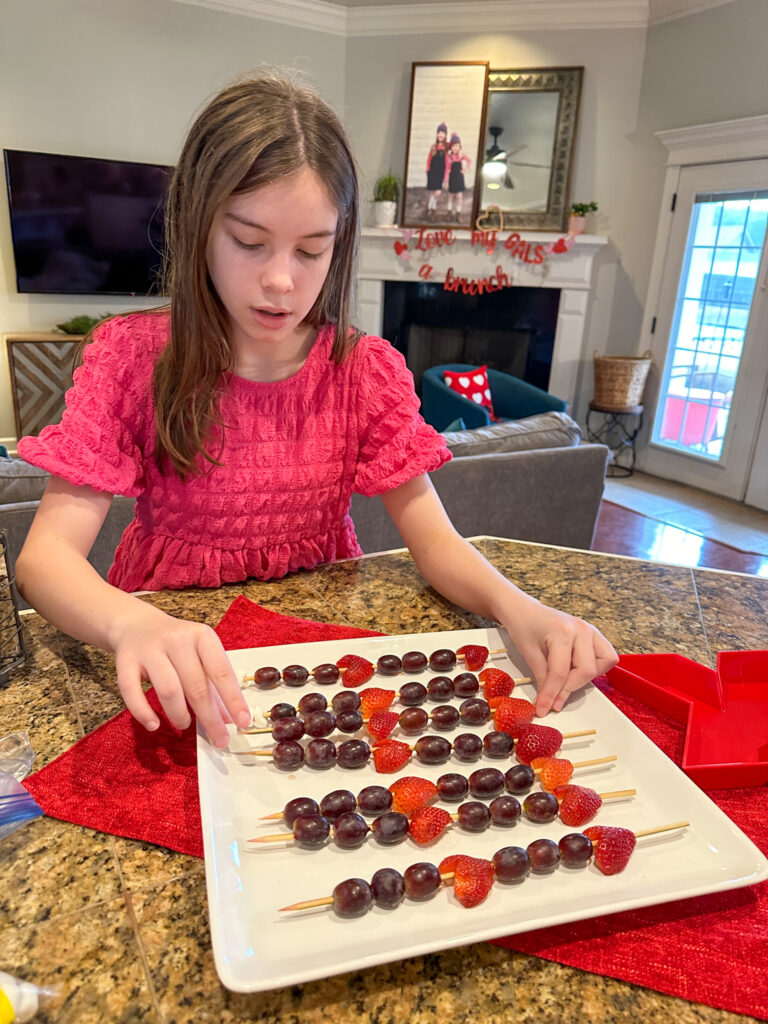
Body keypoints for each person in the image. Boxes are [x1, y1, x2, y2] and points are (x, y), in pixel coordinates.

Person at [15, 71, 617, 752]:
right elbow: (45, 560)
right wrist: (130, 624)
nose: (281, 280)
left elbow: (437, 542)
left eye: (311, 250)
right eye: (249, 242)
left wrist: (521, 607)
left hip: (318, 652)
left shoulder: (364, 370)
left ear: (341, 242)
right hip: (179, 659)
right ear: (197, 224)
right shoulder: (133, 358)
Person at [443, 132, 472, 222]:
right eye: (453, 146)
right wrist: (446, 181)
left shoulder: (462, 156)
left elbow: (469, 161)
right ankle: (449, 212)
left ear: (460, 147)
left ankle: (458, 213)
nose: (455, 148)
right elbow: (447, 170)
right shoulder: (449, 157)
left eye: (457, 146)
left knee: (459, 196)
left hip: (459, 178)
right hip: (452, 178)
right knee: (450, 196)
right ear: (451, 147)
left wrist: (465, 168)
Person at [425, 122, 448, 220]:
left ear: (446, 135)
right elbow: (429, 159)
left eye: (443, 132)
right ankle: (429, 211)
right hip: (432, 173)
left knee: (437, 193)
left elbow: (447, 164)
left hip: (440, 174)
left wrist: (446, 178)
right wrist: (427, 170)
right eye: (439, 132)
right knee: (432, 192)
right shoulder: (433, 147)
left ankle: (432, 209)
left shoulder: (446, 148)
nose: (440, 135)